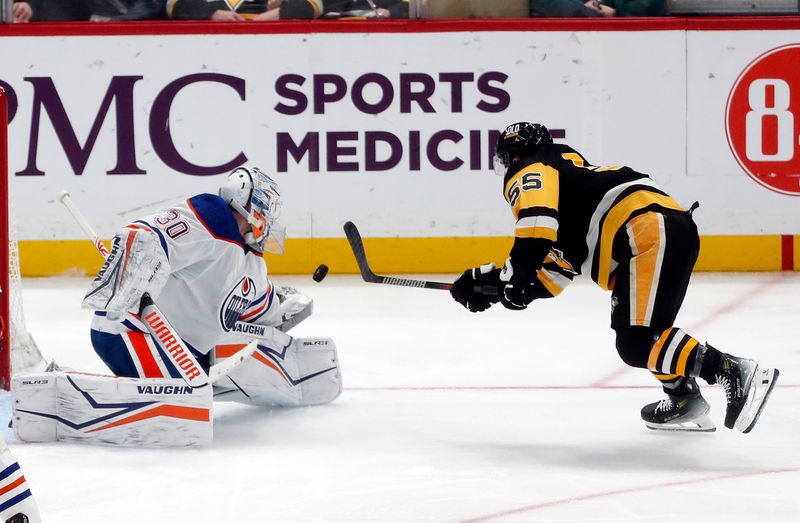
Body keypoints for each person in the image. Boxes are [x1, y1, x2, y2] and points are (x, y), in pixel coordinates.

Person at [450, 122, 778, 433]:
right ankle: (683, 397)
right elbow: (549, 279)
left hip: (647, 232)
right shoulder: (569, 191)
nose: (507, 168)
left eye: (506, 160)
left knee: (635, 341)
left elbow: (535, 227)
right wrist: (490, 284)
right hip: (663, 231)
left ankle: (731, 370)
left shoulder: (532, 167)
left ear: (514, 156)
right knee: (649, 333)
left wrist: (514, 277)